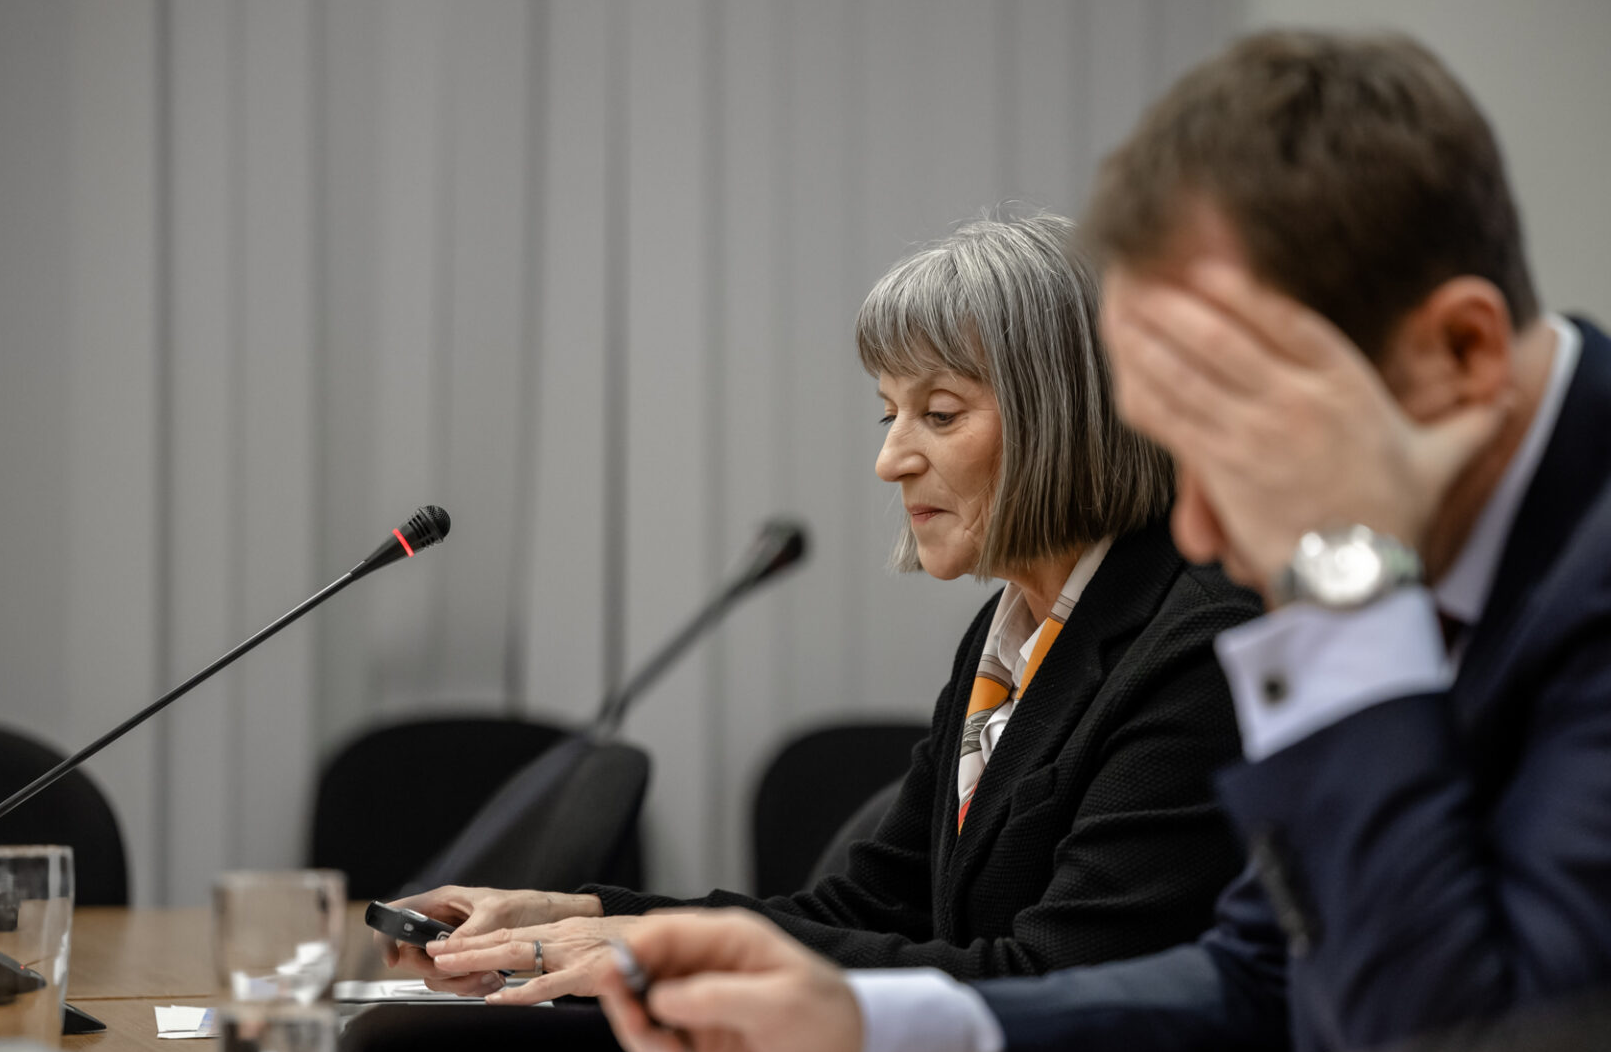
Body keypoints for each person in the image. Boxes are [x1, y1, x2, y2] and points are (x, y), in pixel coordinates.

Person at [589, 32, 1611, 1052]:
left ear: (1459, 355)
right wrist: (868, 1029)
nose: (1191, 528)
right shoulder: (1440, 530)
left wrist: (1338, 581)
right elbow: (1258, 976)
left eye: (1235, 446)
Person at [377, 210, 1262, 1001]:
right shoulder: (1012, 637)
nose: (892, 460)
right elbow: (867, 908)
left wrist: (663, 948)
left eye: (941, 414)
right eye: (890, 415)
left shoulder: (1196, 643)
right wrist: (577, 914)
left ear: (1064, 415)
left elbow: (1065, 979)